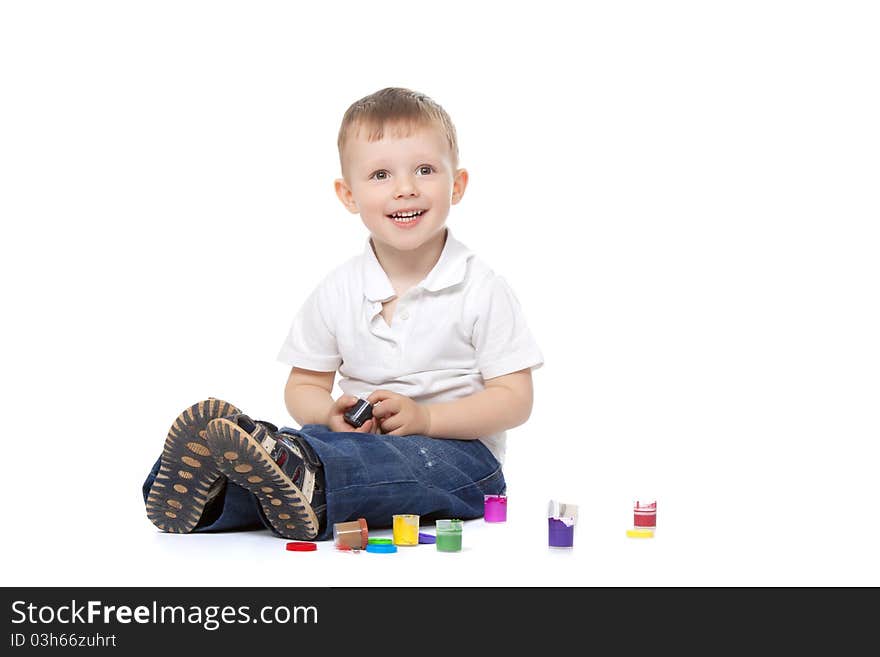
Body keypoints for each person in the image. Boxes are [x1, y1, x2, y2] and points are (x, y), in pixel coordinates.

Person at [143, 87, 543, 541]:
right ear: (348, 195)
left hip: (463, 460)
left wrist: (428, 420)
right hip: (353, 444)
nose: (405, 188)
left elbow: (515, 398)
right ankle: (213, 490)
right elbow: (305, 385)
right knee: (317, 449)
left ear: (457, 184)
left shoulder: (480, 288)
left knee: (374, 465)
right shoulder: (338, 290)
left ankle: (292, 474)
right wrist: (329, 413)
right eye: (380, 175)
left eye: (425, 170)